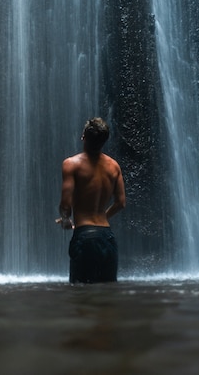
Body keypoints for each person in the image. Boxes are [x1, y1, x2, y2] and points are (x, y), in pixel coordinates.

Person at [57, 117, 126, 283]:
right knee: (107, 294)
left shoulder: (71, 164)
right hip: (107, 237)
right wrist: (102, 217)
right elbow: (120, 203)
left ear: (83, 137)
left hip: (84, 236)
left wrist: (66, 220)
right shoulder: (114, 166)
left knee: (81, 294)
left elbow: (66, 204)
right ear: (104, 141)